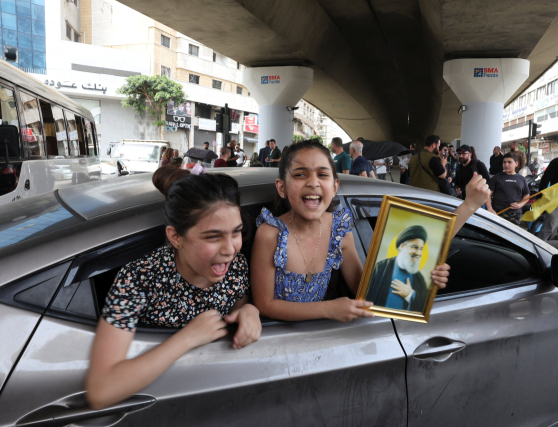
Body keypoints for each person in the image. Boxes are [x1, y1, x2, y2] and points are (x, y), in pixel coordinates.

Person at [251, 140, 490, 322]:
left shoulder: (339, 230)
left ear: (334, 186)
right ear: (281, 187)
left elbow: (367, 291)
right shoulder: (270, 233)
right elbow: (265, 304)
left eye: (322, 174)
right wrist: (328, 309)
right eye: (300, 174)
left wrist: (425, 276)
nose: (313, 182)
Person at [85, 168, 261, 410]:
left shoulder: (237, 266)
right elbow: (101, 390)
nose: (230, 249)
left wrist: (250, 310)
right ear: (176, 237)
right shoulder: (138, 279)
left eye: (236, 232)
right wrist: (188, 338)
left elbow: (239, 307)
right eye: (213, 237)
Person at [367, 226, 430, 311]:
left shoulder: (419, 279)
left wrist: (410, 295)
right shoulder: (380, 268)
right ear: (402, 246)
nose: (418, 253)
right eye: (415, 247)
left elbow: (424, 306)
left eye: (421, 249)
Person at [486, 153, 530, 225]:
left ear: (516, 164)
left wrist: (520, 205)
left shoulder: (522, 179)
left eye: (509, 162)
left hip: (516, 214)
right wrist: (490, 208)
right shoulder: (496, 178)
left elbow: (526, 195)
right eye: (504, 162)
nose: (506, 164)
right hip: (497, 212)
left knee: (512, 232)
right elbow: (488, 195)